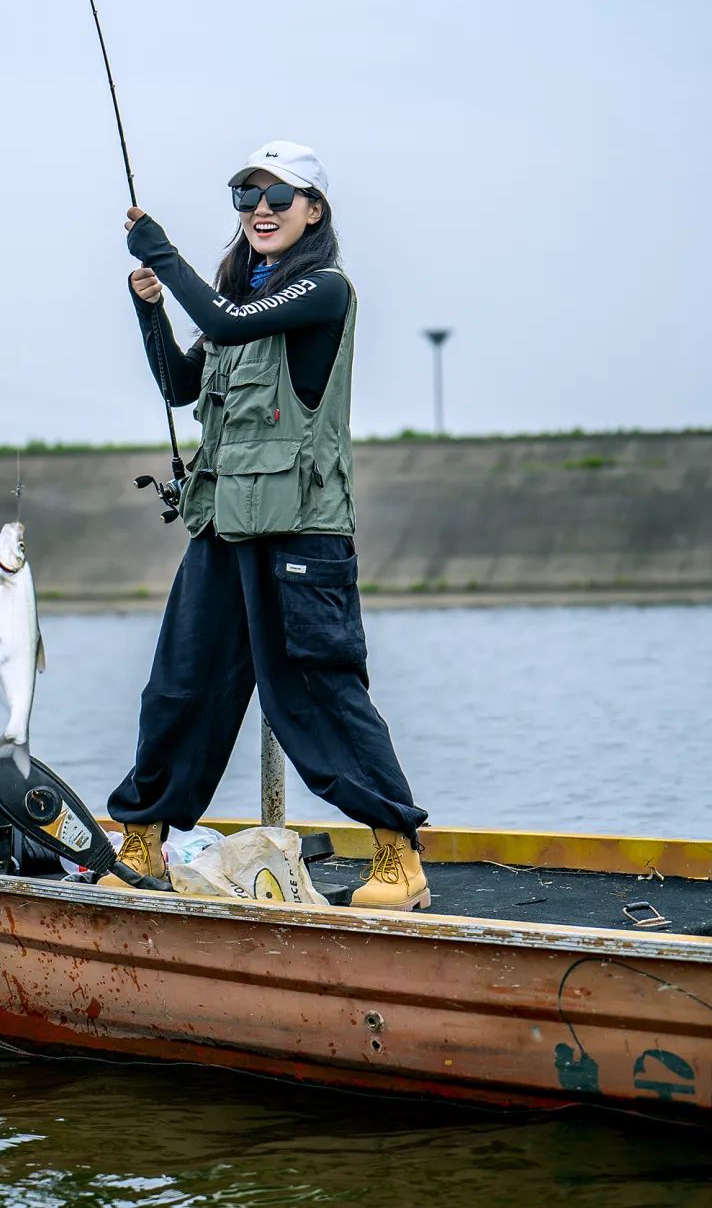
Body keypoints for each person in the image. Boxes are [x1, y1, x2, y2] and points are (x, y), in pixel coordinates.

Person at [104, 140, 430, 910]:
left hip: (301, 536)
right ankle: (144, 841)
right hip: (223, 529)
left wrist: (162, 252)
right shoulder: (237, 301)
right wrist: (149, 307)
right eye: (247, 197)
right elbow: (182, 385)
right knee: (180, 687)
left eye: (279, 197)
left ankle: (398, 856)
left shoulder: (324, 290)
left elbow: (218, 317)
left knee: (317, 693)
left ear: (312, 210)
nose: (260, 210)